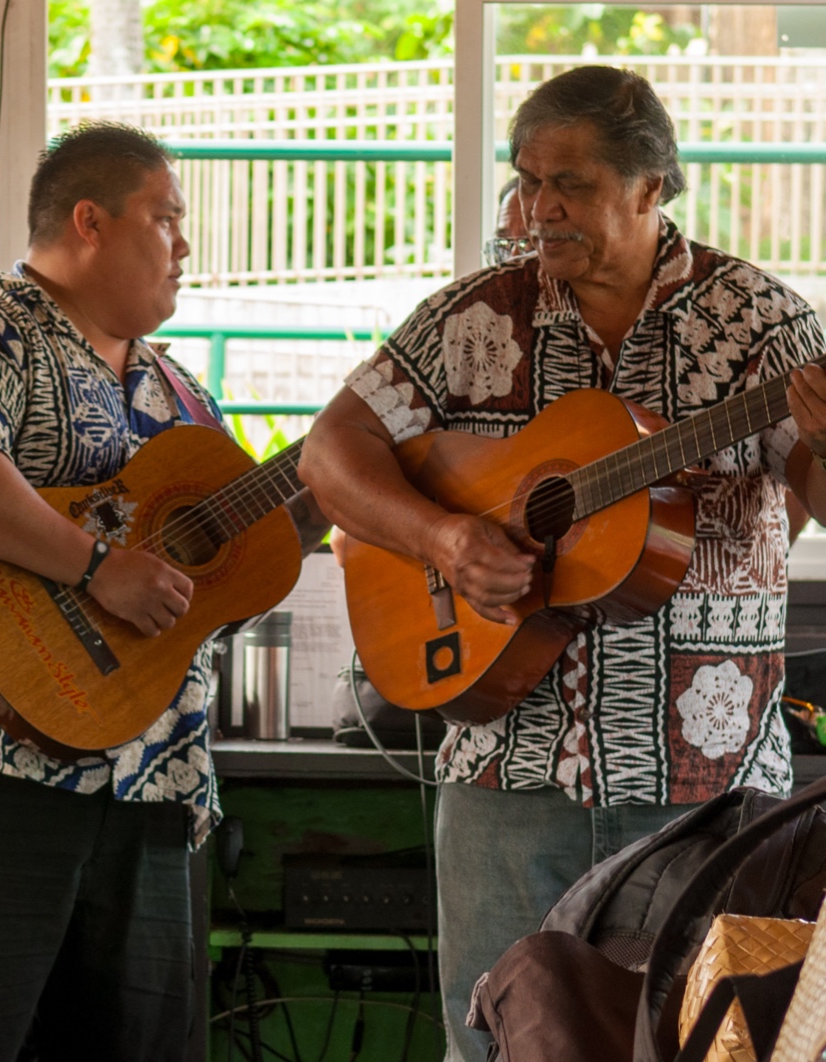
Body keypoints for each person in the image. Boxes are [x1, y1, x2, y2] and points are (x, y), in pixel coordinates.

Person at [297, 66, 826, 1062]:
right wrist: (443, 538)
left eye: (570, 185)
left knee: (695, 1046)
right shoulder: (472, 319)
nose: (538, 208)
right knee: (496, 1044)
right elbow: (332, 451)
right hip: (509, 767)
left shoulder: (764, 324)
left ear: (648, 187)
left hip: (702, 787)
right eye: (526, 179)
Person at [0, 121, 256, 1061]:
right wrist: (97, 566)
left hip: (150, 772)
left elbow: (234, 558)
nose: (185, 246)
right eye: (167, 219)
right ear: (91, 220)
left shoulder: (182, 390)